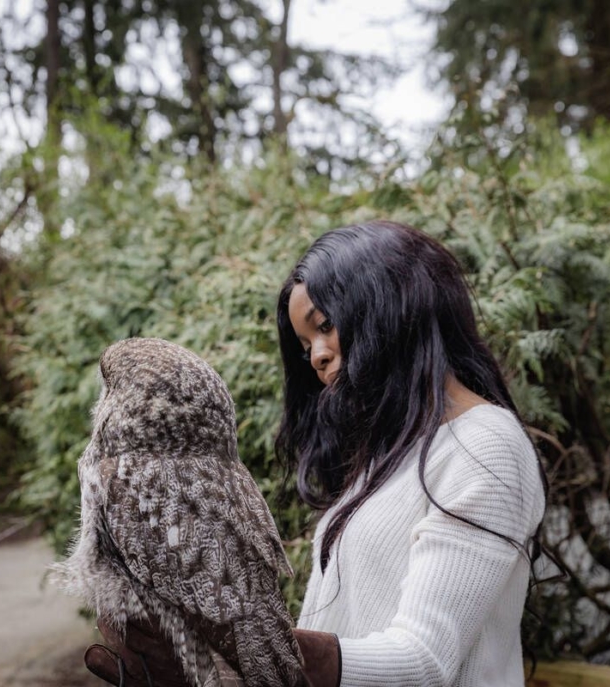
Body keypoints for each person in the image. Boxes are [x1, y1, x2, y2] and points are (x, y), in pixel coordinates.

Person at [85, 220, 548, 686]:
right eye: (306, 345)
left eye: (325, 326)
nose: (316, 357)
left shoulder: (485, 446)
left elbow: (424, 660)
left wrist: (262, 656)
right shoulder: (388, 458)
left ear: (393, 303)